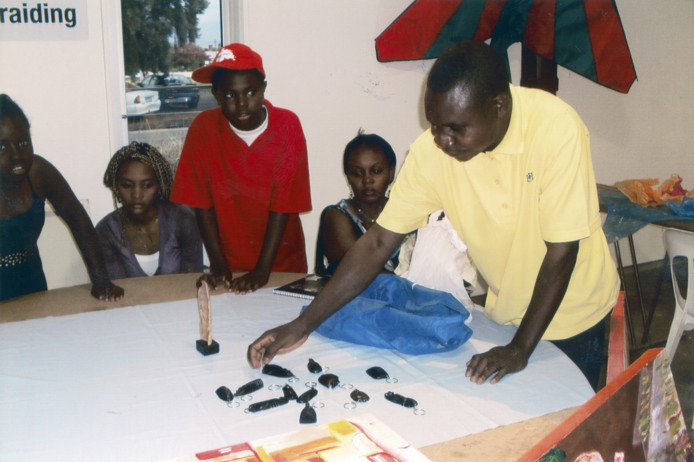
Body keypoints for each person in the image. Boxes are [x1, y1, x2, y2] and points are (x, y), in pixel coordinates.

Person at [247, 41, 619, 391]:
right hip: (509, 313)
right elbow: (377, 242)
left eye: (456, 128)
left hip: (573, 315)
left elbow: (561, 252)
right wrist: (302, 325)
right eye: (434, 125)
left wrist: (520, 349)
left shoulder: (556, 129)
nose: (442, 140)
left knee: (570, 435)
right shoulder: (432, 153)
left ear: (499, 106)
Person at [170, 43, 312, 294]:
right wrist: (219, 265)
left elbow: (282, 206)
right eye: (229, 95)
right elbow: (202, 206)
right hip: (229, 265)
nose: (242, 103)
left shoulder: (287, 125)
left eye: (251, 92)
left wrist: (262, 271)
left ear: (264, 88)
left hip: (281, 265)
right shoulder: (202, 128)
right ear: (215, 95)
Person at [0, 94, 123, 302]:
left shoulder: (38, 173)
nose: (16, 155)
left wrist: (101, 281)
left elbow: (78, 220)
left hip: (32, 283)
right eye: (2, 147)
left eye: (22, 142)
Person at [96, 141, 203, 279]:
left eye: (146, 185)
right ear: (116, 187)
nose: (137, 194)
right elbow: (118, 291)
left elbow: (192, 282)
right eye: (127, 185)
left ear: (159, 185)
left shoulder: (182, 220)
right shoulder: (106, 231)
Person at [315, 130, 399, 277]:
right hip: (353, 299)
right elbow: (362, 271)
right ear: (348, 177)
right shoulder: (337, 217)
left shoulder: (405, 212)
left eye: (376, 171)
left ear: (391, 173)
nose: (367, 180)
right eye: (357, 173)